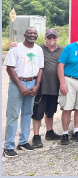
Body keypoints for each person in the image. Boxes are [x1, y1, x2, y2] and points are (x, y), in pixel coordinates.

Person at [3, 27, 44, 157]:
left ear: (37, 36)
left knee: (27, 113)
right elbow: (9, 68)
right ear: (24, 34)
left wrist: (37, 86)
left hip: (32, 83)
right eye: (30, 33)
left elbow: (40, 69)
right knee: (13, 114)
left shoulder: (38, 50)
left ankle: (23, 142)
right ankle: (8, 146)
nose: (32, 35)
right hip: (17, 84)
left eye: (34, 33)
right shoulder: (16, 48)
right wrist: (20, 86)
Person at [31, 29, 63, 148]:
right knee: (37, 113)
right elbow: (25, 50)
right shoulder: (38, 49)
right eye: (49, 37)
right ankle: (36, 136)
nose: (51, 40)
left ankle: (49, 132)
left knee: (50, 111)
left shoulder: (62, 50)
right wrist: (14, 45)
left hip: (55, 87)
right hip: (41, 87)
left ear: (56, 38)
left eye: (53, 37)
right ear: (45, 38)